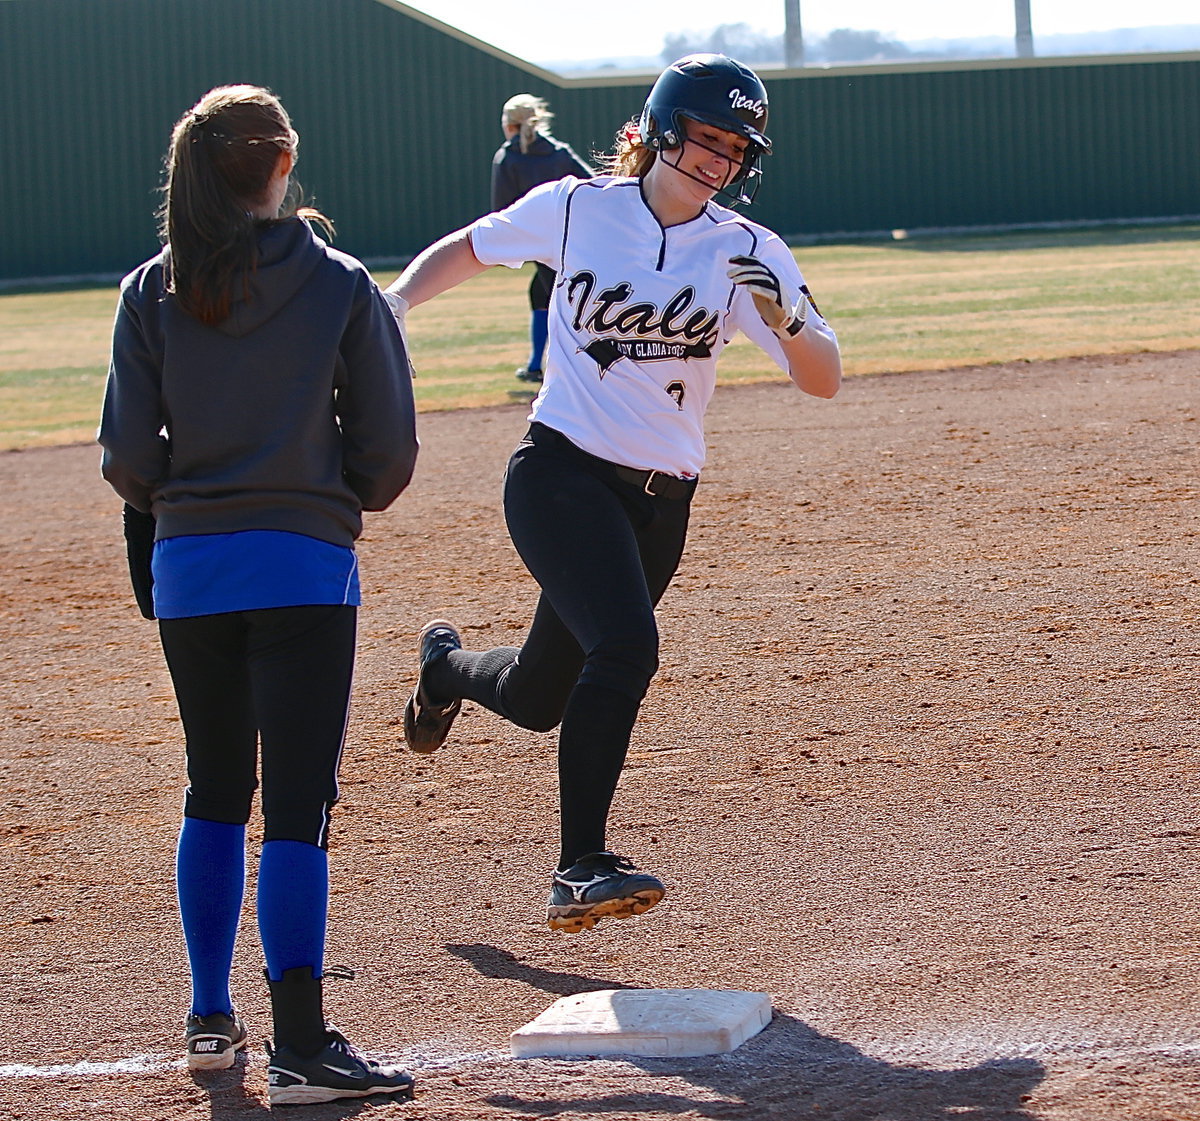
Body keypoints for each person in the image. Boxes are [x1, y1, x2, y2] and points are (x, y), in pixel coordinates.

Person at [384, 55, 842, 935]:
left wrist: (786, 319)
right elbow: (475, 245)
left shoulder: (748, 252)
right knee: (627, 646)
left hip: (660, 503)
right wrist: (398, 303)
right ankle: (580, 865)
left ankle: (442, 670)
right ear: (662, 128)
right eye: (705, 137)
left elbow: (820, 378)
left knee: (536, 695)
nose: (717, 159)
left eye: (735, 147)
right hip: (559, 472)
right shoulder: (578, 207)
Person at [97, 85, 419, 1105]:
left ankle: (208, 1013)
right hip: (303, 568)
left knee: (212, 786)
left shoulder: (152, 287)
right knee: (296, 807)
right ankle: (302, 1040)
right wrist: (335, 496)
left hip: (190, 571)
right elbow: (389, 449)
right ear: (282, 165)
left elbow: (125, 453)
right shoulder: (337, 283)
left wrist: (183, 515)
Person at [491, 93, 593, 383]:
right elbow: (593, 185)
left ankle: (566, 369)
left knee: (561, 303)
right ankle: (536, 365)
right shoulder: (559, 153)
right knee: (543, 295)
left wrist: (504, 248)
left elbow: (501, 208)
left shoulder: (507, 157)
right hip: (572, 236)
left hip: (537, 240)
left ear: (509, 124)